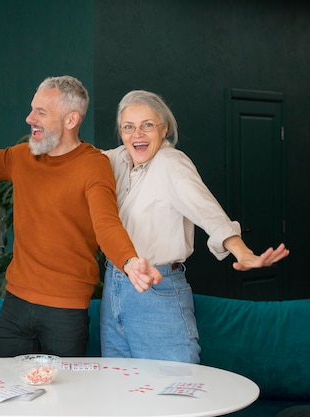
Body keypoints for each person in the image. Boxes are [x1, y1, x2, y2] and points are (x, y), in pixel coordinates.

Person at [0, 76, 163, 358]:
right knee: (6, 390)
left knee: (64, 398)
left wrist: (128, 261)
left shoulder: (93, 165)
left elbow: (106, 223)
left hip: (66, 311)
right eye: (32, 109)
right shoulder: (23, 157)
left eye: (41, 112)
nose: (29, 118)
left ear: (70, 120)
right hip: (16, 304)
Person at [100, 90, 290, 363]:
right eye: (128, 127)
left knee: (171, 388)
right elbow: (79, 161)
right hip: (116, 285)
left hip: (156, 288)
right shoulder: (117, 159)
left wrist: (242, 251)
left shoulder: (171, 163)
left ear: (164, 129)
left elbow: (207, 210)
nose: (137, 134)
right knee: (120, 387)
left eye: (147, 125)